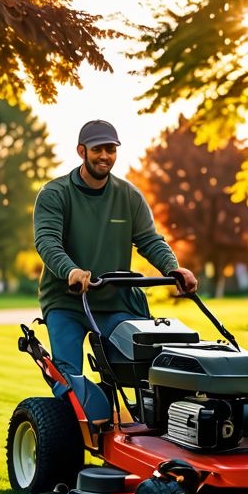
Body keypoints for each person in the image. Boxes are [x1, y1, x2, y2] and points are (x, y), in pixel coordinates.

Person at [33, 119, 198, 394]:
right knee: (68, 381)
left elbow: (149, 240)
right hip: (67, 301)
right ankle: (73, 429)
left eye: (111, 149)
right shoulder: (55, 193)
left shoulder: (129, 196)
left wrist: (174, 268)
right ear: (81, 151)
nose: (105, 156)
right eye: (98, 149)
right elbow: (47, 241)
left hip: (115, 302)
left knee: (139, 370)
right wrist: (71, 271)